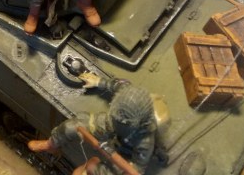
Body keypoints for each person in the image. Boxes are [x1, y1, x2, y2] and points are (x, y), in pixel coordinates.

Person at [28, 73, 158, 175]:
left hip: (122, 151)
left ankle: (91, 167)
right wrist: (98, 81)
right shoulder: (129, 97)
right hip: (110, 125)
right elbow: (118, 85)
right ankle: (51, 144)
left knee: (94, 168)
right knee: (71, 126)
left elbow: (136, 169)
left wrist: (111, 155)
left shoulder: (145, 141)